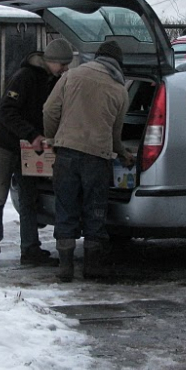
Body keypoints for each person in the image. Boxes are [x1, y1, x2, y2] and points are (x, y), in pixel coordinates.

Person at [0, 38, 74, 274]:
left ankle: (30, 249)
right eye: (62, 65)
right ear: (51, 61)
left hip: (29, 149)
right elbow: (7, 112)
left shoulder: (53, 80)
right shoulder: (24, 77)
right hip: (6, 144)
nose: (65, 70)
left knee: (29, 198)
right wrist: (32, 134)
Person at [43, 39, 135, 282]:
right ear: (118, 63)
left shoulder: (71, 76)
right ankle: (93, 267)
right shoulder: (120, 90)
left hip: (67, 153)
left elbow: (49, 110)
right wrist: (124, 153)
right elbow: (115, 133)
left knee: (66, 208)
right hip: (97, 158)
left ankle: (65, 267)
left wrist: (54, 137)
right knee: (95, 211)